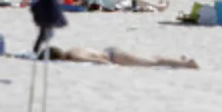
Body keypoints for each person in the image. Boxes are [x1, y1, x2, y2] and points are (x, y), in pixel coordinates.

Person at [44, 45, 197, 69]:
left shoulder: (74, 56)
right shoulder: (73, 49)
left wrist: (109, 65)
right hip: (111, 51)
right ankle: (180, 60)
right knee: (152, 59)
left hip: (114, 56)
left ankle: (187, 64)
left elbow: (100, 61)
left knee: (153, 62)